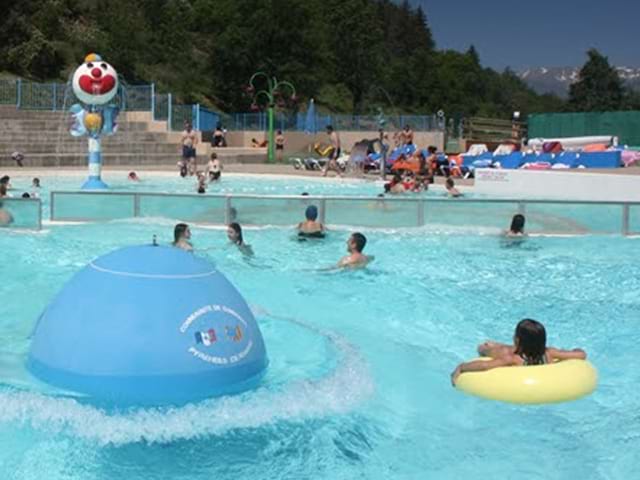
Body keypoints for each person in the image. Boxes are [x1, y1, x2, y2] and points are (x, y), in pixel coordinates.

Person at [450, 319, 587, 386]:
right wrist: (577, 350)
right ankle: (495, 345)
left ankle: (490, 346)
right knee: (505, 349)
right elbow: (581, 355)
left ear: (516, 339)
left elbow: (485, 366)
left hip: (511, 352)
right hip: (527, 351)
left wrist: (461, 367)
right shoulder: (549, 353)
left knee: (485, 349)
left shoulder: (512, 359)